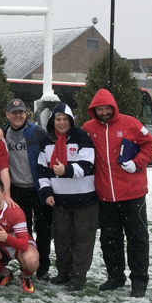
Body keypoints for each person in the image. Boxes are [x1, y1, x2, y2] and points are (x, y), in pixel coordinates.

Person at [81, 89, 152, 297]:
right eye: (100, 109)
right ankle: (115, 277)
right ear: (94, 110)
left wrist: (137, 162)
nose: (104, 112)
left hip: (133, 195)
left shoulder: (130, 123)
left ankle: (139, 281)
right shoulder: (89, 128)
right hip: (105, 197)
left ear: (113, 108)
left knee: (137, 239)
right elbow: (72, 140)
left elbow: (150, 144)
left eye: (107, 108)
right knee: (110, 239)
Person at [37, 103, 98, 291]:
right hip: (60, 201)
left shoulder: (82, 137)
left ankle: (78, 277)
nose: (61, 123)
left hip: (84, 200)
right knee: (62, 239)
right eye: (58, 119)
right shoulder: (47, 141)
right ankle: (63, 272)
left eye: (65, 119)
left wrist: (66, 170)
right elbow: (42, 171)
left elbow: (87, 164)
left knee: (82, 239)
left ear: (71, 121)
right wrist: (46, 192)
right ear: (52, 121)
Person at [0, 98, 52, 280]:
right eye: (14, 113)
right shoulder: (3, 132)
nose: (18, 116)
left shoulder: (37, 132)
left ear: (26, 114)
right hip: (17, 191)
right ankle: (26, 266)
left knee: (44, 230)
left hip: (38, 189)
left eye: (21, 112)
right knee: (24, 231)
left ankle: (43, 267)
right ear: (7, 115)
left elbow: (49, 157)